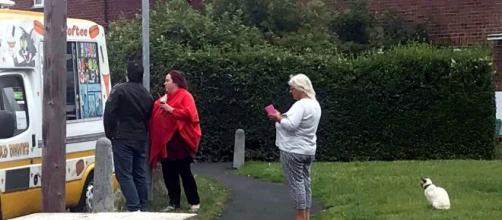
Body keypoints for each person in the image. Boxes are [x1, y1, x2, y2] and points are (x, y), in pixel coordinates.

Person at [268, 74, 322, 220]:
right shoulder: (315, 104)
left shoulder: (301, 105)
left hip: (293, 150)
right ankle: (306, 216)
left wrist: (278, 117)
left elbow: (291, 126)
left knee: (297, 184)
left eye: (292, 89)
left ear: (300, 88)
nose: (290, 92)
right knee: (305, 182)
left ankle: (299, 216)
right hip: (308, 149)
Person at [149, 70, 202, 212]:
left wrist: (171, 109)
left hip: (180, 141)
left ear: (176, 82)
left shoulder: (186, 96)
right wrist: (159, 107)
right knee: (168, 173)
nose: (164, 83)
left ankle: (194, 201)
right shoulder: (165, 98)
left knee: (185, 172)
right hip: (166, 143)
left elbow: (191, 115)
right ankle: (173, 202)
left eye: (167, 80)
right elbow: (157, 116)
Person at [103, 61, 153, 211]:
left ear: (127, 74)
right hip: (141, 137)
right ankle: (144, 206)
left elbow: (109, 112)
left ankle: (134, 206)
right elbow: (149, 117)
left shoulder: (119, 90)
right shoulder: (147, 95)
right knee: (139, 173)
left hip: (123, 137)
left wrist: (110, 133)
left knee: (124, 174)